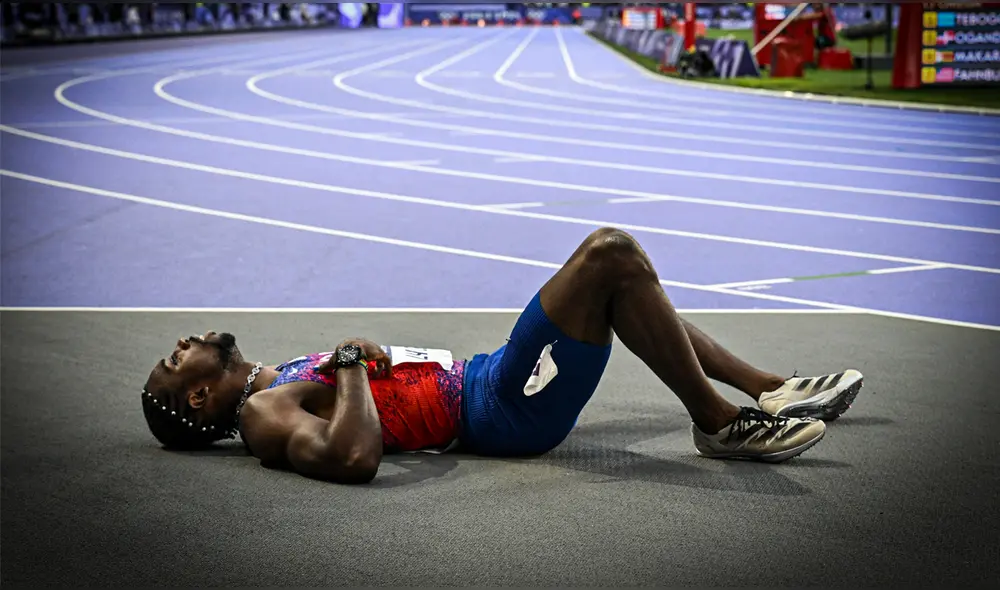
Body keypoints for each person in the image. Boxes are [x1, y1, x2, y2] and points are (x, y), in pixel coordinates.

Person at [141, 228, 863, 485]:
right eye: (175, 363)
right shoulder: (264, 411)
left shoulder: (277, 381)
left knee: (618, 284)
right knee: (608, 257)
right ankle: (719, 421)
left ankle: (768, 388)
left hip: (482, 379)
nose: (182, 346)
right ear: (201, 400)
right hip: (499, 409)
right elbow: (354, 458)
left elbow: (377, 403)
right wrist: (355, 364)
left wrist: (373, 361)